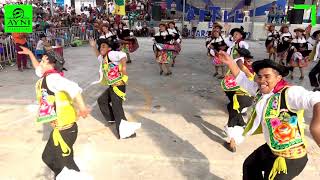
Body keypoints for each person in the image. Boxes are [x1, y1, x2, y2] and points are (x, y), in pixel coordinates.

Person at [218, 51, 320, 180]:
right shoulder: (261, 92)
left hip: (290, 158)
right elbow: (242, 80)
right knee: (250, 166)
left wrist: (316, 125)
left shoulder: (289, 93)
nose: (262, 80)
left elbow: (315, 97)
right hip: (272, 149)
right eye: (259, 77)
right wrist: (230, 62)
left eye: (267, 76)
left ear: (278, 78)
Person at [17, 46, 90, 178]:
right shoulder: (47, 76)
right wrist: (30, 54)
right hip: (59, 129)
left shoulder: (53, 79)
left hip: (66, 130)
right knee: (47, 157)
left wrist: (83, 108)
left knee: (66, 166)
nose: (41, 63)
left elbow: (74, 88)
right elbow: (37, 69)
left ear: (51, 65)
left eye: (44, 61)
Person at [89, 36, 141, 139]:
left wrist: (124, 68)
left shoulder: (111, 54)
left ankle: (126, 133)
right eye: (100, 47)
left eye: (104, 46)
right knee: (102, 100)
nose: (101, 48)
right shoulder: (104, 58)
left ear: (109, 48)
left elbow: (122, 55)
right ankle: (112, 118)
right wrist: (94, 46)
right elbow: (97, 55)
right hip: (112, 86)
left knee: (117, 108)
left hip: (118, 85)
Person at [221, 27, 253, 152]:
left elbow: (241, 65)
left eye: (237, 34)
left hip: (239, 92)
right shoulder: (233, 46)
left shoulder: (241, 55)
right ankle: (239, 125)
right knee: (233, 108)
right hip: (243, 94)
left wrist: (247, 73)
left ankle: (233, 143)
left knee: (233, 110)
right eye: (233, 34)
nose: (234, 36)